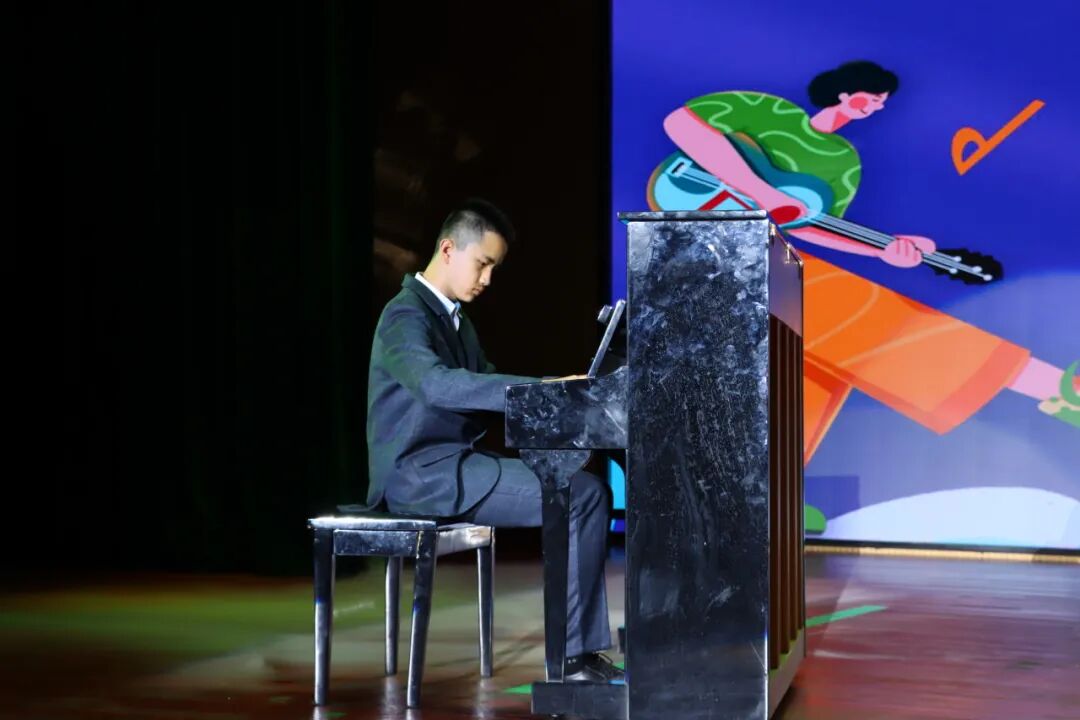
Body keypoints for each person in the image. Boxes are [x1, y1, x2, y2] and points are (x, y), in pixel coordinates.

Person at [658, 60, 1078, 467]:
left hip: (755, 253)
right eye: (869, 98)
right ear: (843, 92)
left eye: (880, 103)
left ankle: (765, 484)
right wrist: (760, 191)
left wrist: (882, 251)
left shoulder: (843, 162)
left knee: (810, 364)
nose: (874, 107)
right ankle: (1048, 384)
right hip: (696, 233)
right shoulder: (768, 110)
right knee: (848, 310)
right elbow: (681, 124)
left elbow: (806, 225)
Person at [366, 198, 621, 682]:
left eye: (493, 268)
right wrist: (545, 389)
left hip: (454, 466)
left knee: (586, 490)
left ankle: (578, 653)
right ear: (448, 249)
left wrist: (556, 391)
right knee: (583, 496)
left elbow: (488, 385)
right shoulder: (404, 315)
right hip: (422, 477)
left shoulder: (455, 321)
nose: (487, 279)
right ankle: (573, 658)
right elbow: (438, 385)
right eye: (482, 264)